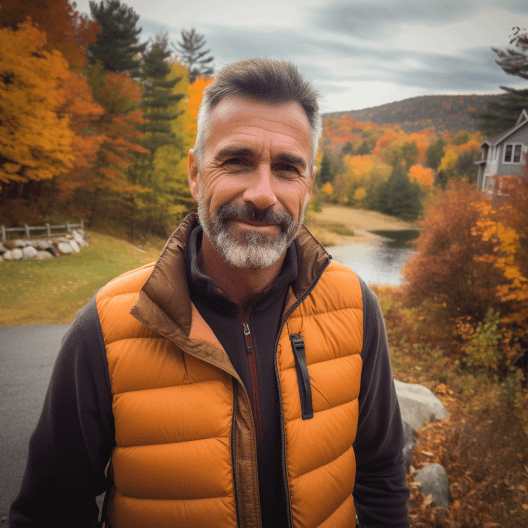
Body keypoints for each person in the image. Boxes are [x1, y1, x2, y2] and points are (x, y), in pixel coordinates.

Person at [10, 58, 410, 528]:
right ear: (196, 173)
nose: (263, 194)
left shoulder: (356, 306)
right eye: (237, 161)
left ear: (309, 184)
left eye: (286, 168)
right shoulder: (106, 328)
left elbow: (382, 475)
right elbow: (49, 513)